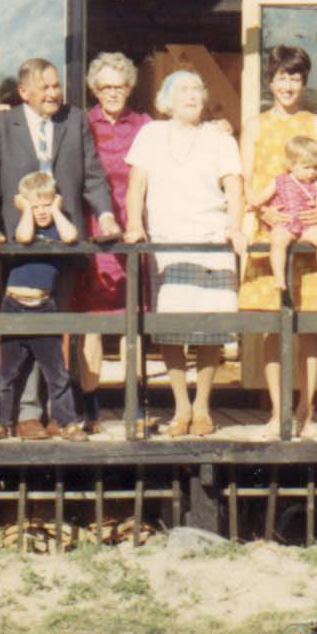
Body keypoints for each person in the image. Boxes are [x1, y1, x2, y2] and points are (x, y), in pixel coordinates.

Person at [0, 57, 120, 440]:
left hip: (63, 244)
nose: (55, 94)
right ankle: (25, 414)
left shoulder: (76, 120)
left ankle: (62, 415)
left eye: (57, 86)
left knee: (58, 329)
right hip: (16, 245)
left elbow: (92, 175)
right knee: (23, 330)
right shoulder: (0, 124)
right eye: (46, 88)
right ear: (24, 92)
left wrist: (104, 215)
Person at [124, 70, 246, 437]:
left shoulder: (219, 137)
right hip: (169, 243)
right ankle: (180, 407)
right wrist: (133, 223)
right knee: (172, 329)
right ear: (166, 100)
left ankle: (203, 406)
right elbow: (136, 185)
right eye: (182, 90)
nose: (191, 96)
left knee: (211, 329)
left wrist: (236, 228)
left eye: (197, 89)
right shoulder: (151, 134)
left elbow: (235, 188)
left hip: (212, 240)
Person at [239, 44, 317, 439]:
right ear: (270, 80)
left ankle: (306, 413)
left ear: (304, 82)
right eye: (281, 77)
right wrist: (262, 213)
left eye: (295, 78)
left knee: (309, 327)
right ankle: (278, 413)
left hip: (310, 241)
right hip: (271, 236)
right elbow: (245, 184)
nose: (288, 85)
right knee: (271, 328)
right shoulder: (256, 125)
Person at [71, 52, 152, 430]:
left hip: (133, 227)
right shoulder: (81, 124)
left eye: (119, 85)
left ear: (129, 86)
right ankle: (90, 403)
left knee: (130, 319)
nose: (112, 93)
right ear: (94, 89)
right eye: (105, 87)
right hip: (94, 229)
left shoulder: (146, 125)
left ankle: (133, 401)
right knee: (91, 321)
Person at [0, 172, 89, 442]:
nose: (42, 212)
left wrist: (57, 211)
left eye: (46, 204)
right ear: (24, 205)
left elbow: (70, 237)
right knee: (9, 373)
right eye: (36, 206)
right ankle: (3, 422)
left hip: (44, 305)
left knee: (56, 372)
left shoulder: (58, 226)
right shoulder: (24, 225)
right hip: (15, 306)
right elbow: (23, 238)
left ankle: (67, 422)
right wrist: (26, 210)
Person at [250, 135, 317, 301]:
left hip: (308, 225)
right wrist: (256, 206)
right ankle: (279, 277)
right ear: (291, 166)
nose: (312, 172)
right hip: (286, 223)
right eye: (306, 167)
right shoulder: (280, 181)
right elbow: (260, 198)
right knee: (278, 241)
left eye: (315, 167)